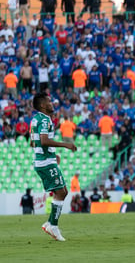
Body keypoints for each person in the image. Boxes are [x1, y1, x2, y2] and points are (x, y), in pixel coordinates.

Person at [30, 92, 77, 241]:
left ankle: (50, 224)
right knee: (61, 193)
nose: (52, 104)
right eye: (49, 102)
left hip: (44, 160)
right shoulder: (44, 120)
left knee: (62, 191)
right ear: (43, 105)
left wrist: (52, 153)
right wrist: (66, 145)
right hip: (45, 162)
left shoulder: (36, 119)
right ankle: (52, 226)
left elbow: (34, 142)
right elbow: (44, 141)